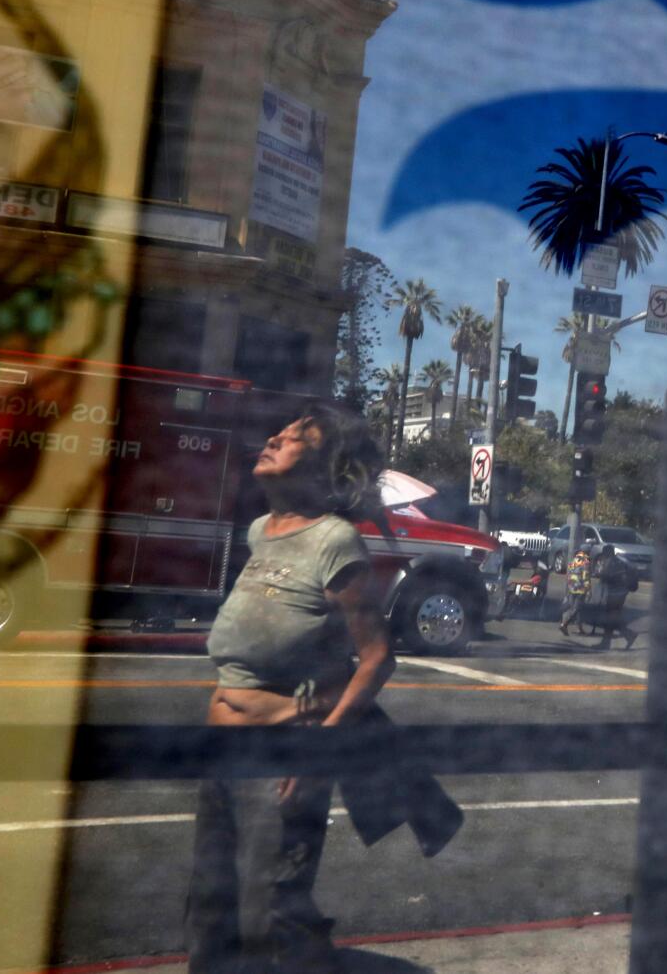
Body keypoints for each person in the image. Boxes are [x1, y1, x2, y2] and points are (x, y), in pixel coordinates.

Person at [188, 404, 395, 974]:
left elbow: (376, 658)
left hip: (283, 756)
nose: (275, 436)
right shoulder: (261, 532)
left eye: (299, 436)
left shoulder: (336, 542)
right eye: (279, 429)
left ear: (329, 468)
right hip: (222, 753)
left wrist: (319, 749)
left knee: (270, 915)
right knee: (211, 905)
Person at [590, 543, 638, 650]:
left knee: (610, 618)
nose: (603, 555)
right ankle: (623, 637)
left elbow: (609, 577)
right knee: (613, 618)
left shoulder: (613, 563)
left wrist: (600, 574)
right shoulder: (618, 561)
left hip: (616, 594)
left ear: (607, 553)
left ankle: (627, 635)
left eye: (604, 553)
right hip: (620, 593)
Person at [559, 534, 594, 636]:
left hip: (572, 587)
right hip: (580, 588)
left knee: (575, 608)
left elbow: (568, 574)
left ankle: (579, 628)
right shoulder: (585, 562)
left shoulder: (573, 560)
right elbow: (585, 577)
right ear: (587, 552)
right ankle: (564, 624)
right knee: (577, 608)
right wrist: (588, 590)